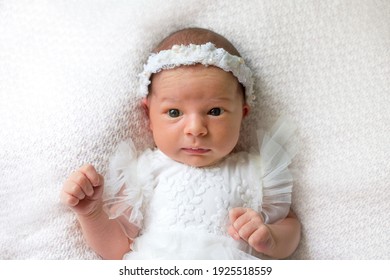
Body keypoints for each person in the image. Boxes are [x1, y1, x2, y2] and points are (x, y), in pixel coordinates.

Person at [60, 27, 301, 260]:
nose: (195, 129)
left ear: (243, 114)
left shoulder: (255, 171)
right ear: (149, 117)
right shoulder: (144, 171)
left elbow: (289, 226)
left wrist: (270, 237)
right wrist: (92, 214)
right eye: (174, 113)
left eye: (215, 111)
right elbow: (117, 249)